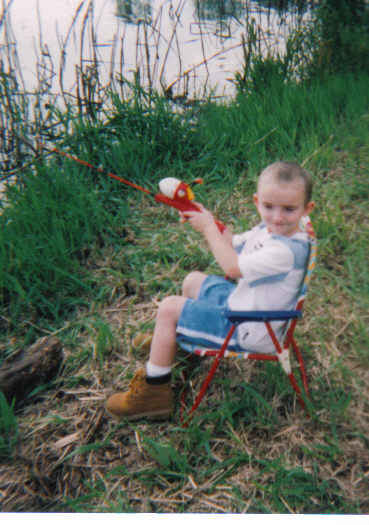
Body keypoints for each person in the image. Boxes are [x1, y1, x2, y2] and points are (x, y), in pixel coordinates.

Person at [106, 161, 315, 420]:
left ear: (307, 208)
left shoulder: (284, 250)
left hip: (251, 327)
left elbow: (231, 267)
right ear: (257, 201)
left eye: (289, 209)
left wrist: (206, 229)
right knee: (192, 280)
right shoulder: (272, 230)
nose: (277, 217)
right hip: (246, 303)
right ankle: (170, 343)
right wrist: (203, 215)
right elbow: (235, 245)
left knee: (169, 308)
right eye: (268, 207)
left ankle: (154, 395)